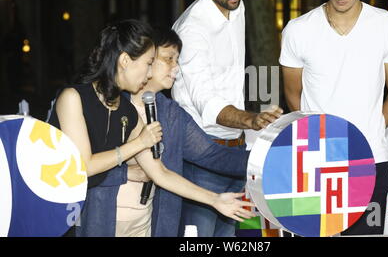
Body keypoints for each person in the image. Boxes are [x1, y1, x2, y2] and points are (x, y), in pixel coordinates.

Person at [47, 19, 254, 237]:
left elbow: (161, 173)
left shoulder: (128, 110)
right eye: (148, 63)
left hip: (140, 224)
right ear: (125, 60)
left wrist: (215, 199)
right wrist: (138, 145)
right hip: (68, 217)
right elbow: (84, 165)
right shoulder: (73, 98)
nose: (148, 74)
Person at [280, 0, 388, 235]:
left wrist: (363, 137)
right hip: (314, 160)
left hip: (370, 159)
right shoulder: (298, 29)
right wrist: (318, 137)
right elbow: (293, 95)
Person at [172, 0, 283, 237]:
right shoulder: (191, 30)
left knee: (229, 238)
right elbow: (206, 102)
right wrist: (251, 119)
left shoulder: (237, 7)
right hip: (200, 152)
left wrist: (247, 128)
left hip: (235, 147)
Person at [114, 28, 254, 237]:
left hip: (145, 222)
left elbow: (212, 155)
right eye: (168, 59)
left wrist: (267, 159)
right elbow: (85, 165)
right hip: (108, 218)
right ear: (147, 58)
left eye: (177, 60)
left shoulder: (171, 113)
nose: (176, 68)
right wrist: (125, 173)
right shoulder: (112, 104)